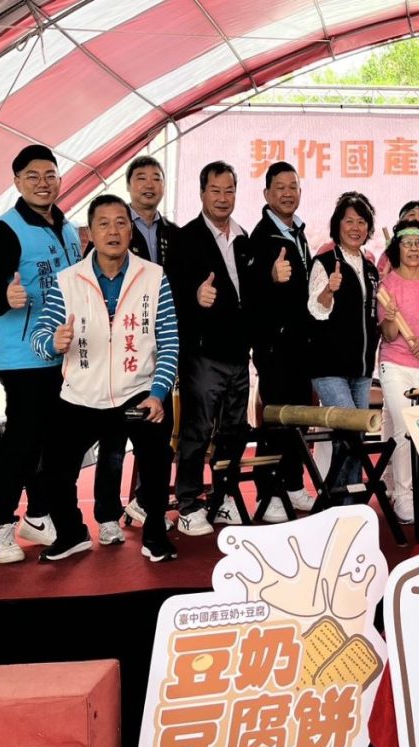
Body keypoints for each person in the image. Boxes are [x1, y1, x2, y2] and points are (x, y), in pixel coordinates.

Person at [31, 194, 179, 562]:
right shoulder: (68, 281)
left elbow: (169, 341)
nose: (113, 231)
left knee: (157, 457)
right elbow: (40, 337)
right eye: (104, 224)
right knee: (54, 468)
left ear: (131, 231)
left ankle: (155, 534)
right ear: (91, 233)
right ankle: (72, 533)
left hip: (135, 396)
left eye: (121, 223)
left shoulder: (154, 276)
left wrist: (158, 393)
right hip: (82, 397)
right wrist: (53, 343)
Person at [0, 144, 80, 564]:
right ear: (17, 182)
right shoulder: (4, 230)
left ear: (59, 179)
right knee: (21, 444)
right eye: (33, 177)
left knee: (52, 444)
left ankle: (39, 517)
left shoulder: (69, 228)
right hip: (23, 359)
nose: (43, 184)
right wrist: (1, 297)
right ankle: (0, 526)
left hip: (66, 357)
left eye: (50, 175)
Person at [164, 161, 250, 536]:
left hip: (239, 354)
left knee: (234, 431)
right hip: (202, 354)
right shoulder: (186, 239)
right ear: (202, 193)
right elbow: (169, 295)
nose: (222, 198)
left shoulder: (244, 238)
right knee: (197, 431)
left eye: (229, 190)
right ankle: (188, 503)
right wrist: (195, 297)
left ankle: (224, 497)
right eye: (215, 190)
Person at [98, 155, 179, 530]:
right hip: (119, 356)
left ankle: (147, 504)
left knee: (158, 438)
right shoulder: (113, 230)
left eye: (156, 178)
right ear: (129, 185)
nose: (149, 184)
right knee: (113, 440)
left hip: (158, 354)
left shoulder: (173, 233)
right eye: (141, 178)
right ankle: (107, 516)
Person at [245, 161, 318, 523]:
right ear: (267, 193)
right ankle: (268, 492)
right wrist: (270, 277)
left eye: (293, 187)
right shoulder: (260, 237)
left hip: (301, 346)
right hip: (275, 347)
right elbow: (249, 290)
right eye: (281, 187)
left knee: (298, 418)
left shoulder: (298, 233)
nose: (288, 193)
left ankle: (292, 483)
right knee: (275, 419)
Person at [308, 192, 380, 498]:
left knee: (355, 435)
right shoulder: (325, 263)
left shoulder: (372, 270)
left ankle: (349, 498)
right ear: (337, 225)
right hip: (329, 367)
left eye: (361, 222)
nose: (355, 228)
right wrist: (328, 290)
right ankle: (339, 500)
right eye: (348, 221)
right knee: (350, 431)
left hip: (361, 369)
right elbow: (316, 310)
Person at [378, 220, 419, 523]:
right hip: (396, 363)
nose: (414, 249)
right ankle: (403, 495)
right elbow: (389, 334)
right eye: (407, 243)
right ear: (398, 248)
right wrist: (391, 318)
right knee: (404, 428)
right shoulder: (387, 285)